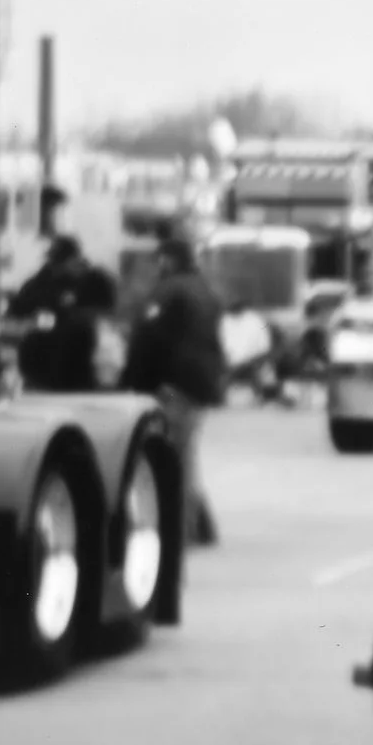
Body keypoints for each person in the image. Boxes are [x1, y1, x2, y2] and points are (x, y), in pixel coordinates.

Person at [125, 231, 227, 546]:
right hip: (200, 383)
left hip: (174, 384)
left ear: (168, 260)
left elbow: (148, 339)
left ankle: (178, 531)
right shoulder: (204, 289)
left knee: (173, 459)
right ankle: (199, 526)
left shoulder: (168, 292)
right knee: (185, 454)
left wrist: (134, 381)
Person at [10, 235, 117, 393]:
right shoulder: (38, 285)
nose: (57, 267)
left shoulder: (92, 281)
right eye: (55, 262)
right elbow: (18, 316)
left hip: (80, 364)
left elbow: (105, 312)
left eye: (62, 261)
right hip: (42, 363)